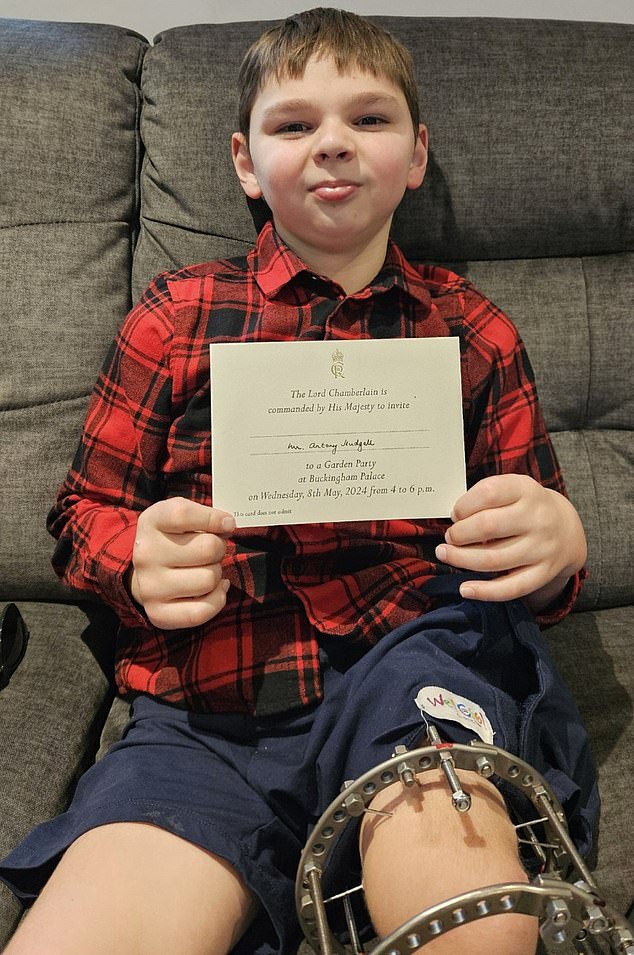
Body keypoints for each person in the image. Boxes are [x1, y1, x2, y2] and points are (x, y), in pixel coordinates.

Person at [0, 8, 598, 955]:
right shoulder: (176, 315)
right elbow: (82, 515)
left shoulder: (473, 331)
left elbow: (544, 570)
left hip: (420, 675)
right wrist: (134, 557)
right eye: (293, 125)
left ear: (416, 154)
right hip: (215, 702)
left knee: (466, 902)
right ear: (245, 162)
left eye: (369, 120)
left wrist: (558, 539)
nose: (332, 145)